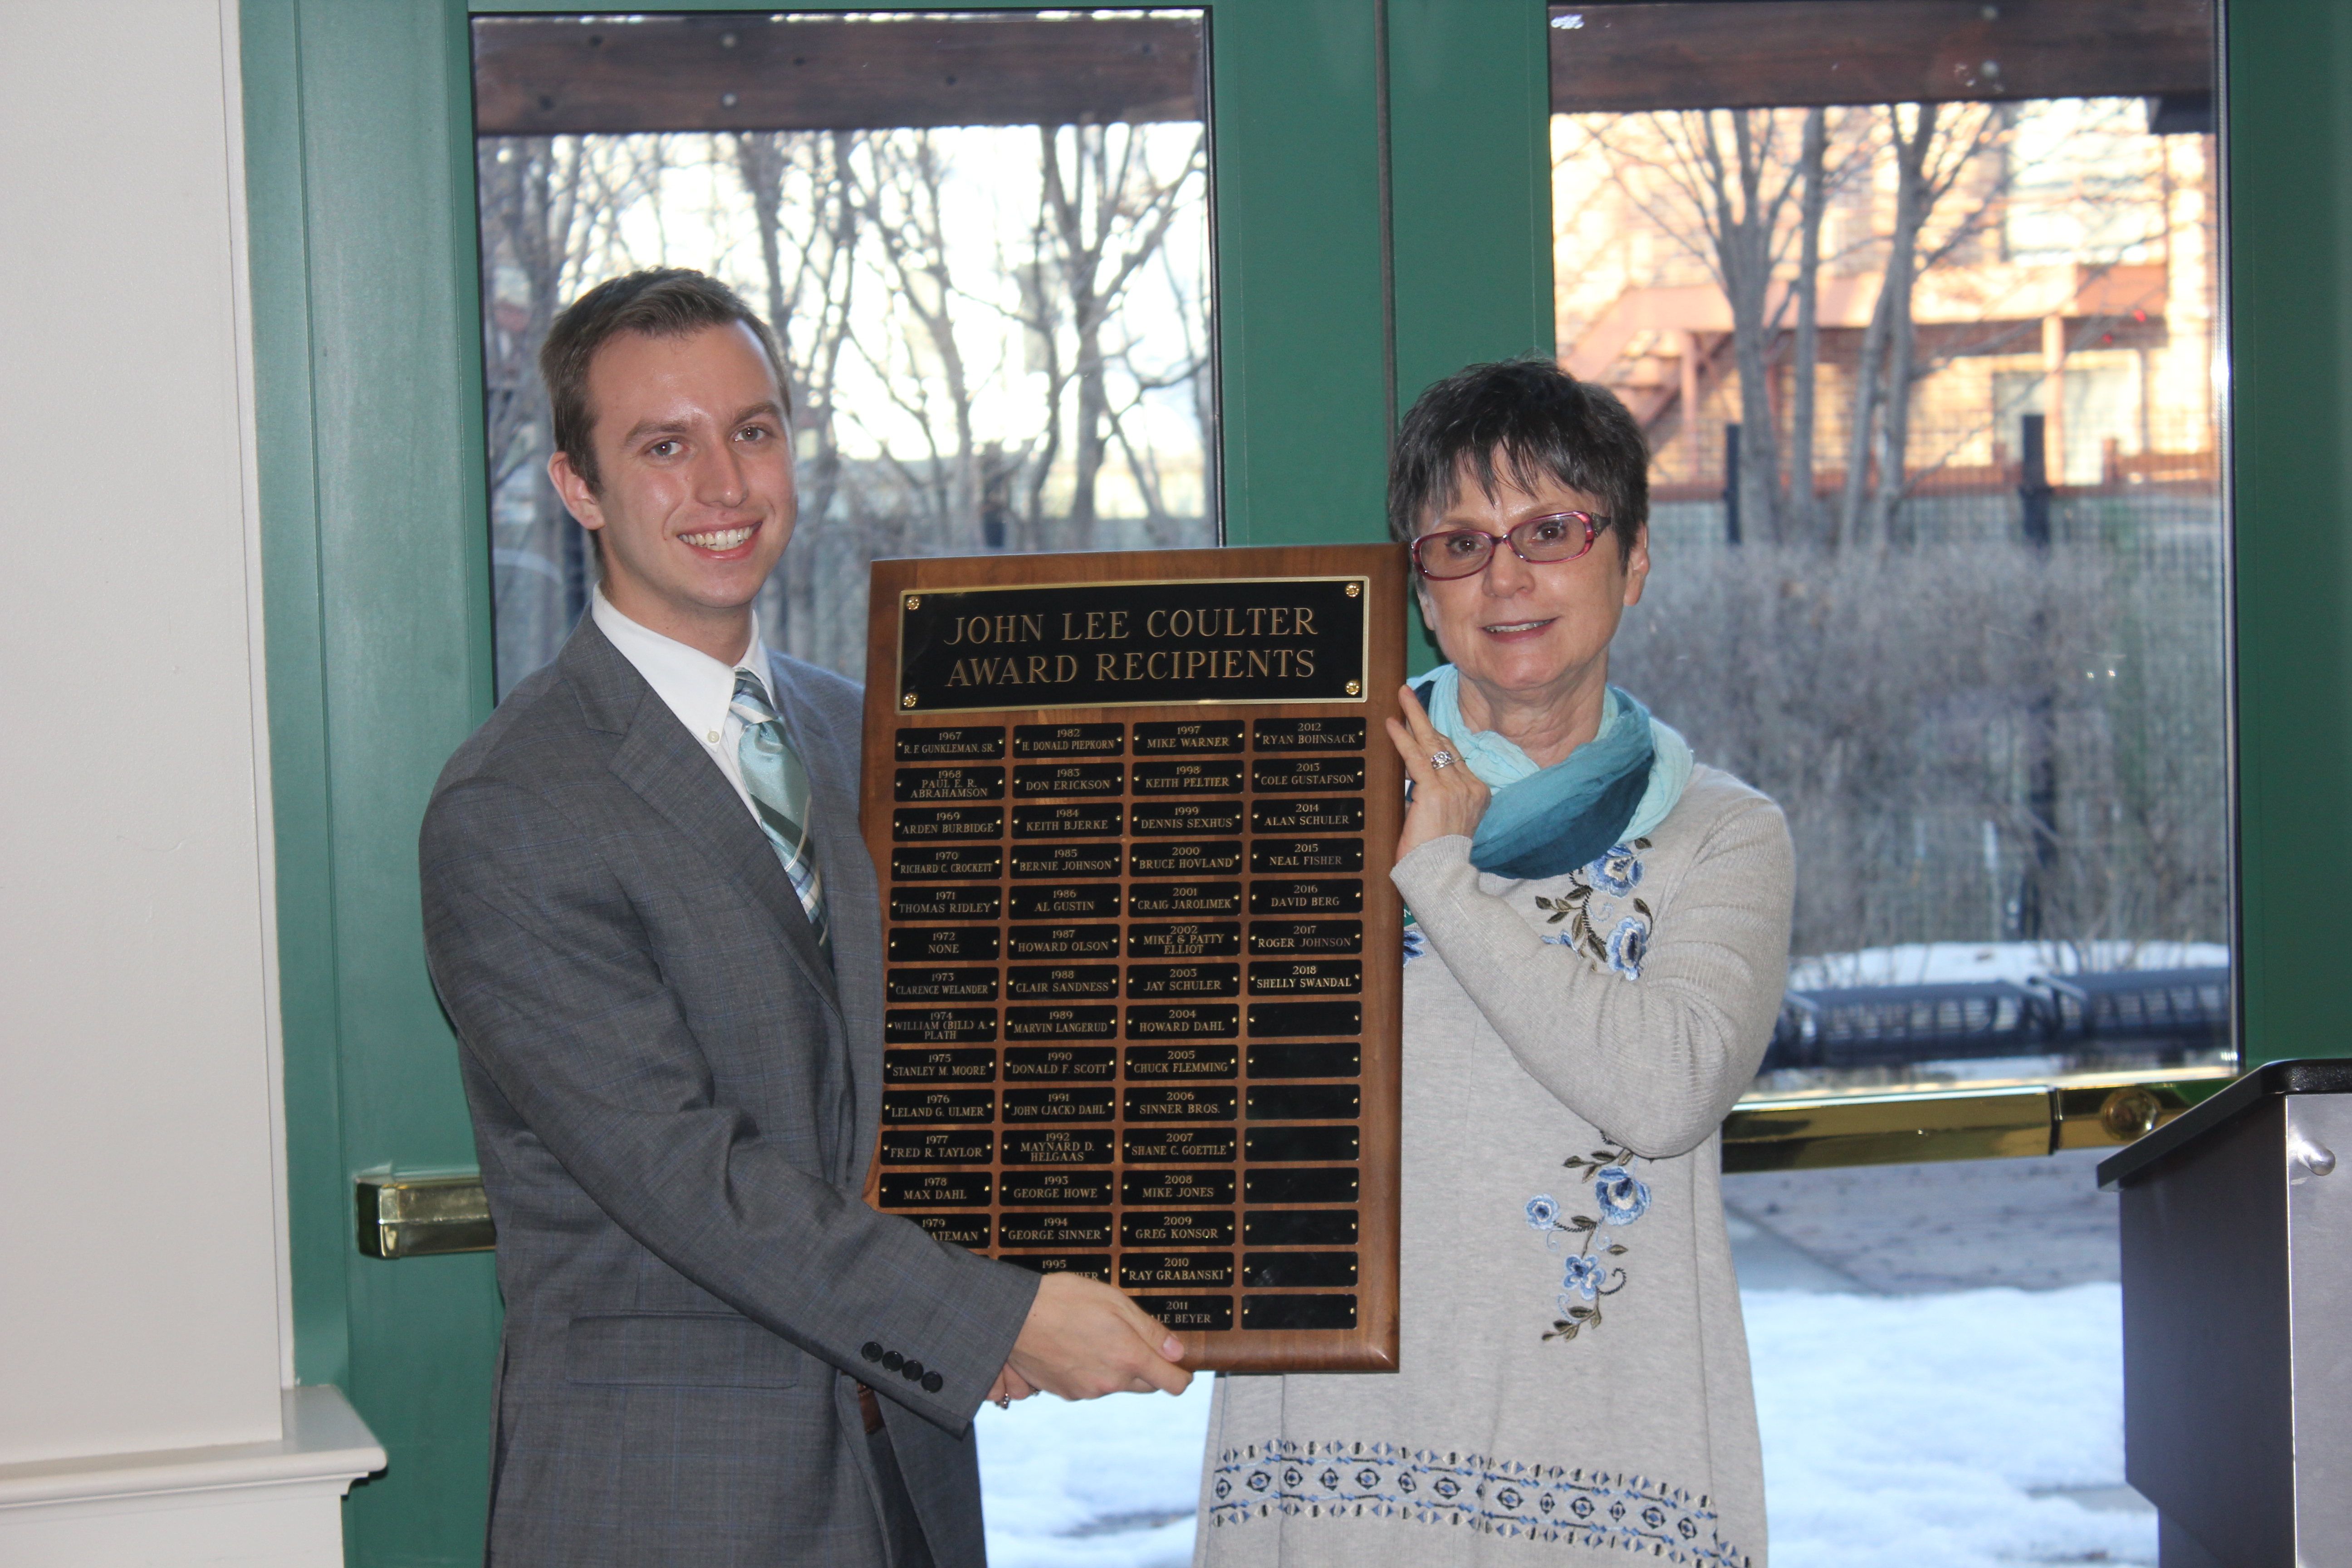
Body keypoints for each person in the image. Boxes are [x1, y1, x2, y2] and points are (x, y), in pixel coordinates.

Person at [420, 268, 1188, 1568]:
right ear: (578, 488)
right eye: (665, 446)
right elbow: (689, 1181)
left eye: (754, 430)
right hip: (670, 1503)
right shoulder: (512, 807)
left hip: (916, 1488)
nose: (725, 486)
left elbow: (974, 1073)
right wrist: (994, 1320)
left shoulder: (872, 734)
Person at [1196, 359, 1793, 1567]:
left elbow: (1667, 1089)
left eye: (1551, 530)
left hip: (1606, 1466)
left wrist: (1444, 878)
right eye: (1458, 544)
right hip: (1333, 1462)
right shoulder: (1297, 806)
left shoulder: (1724, 836)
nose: (1507, 577)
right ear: (1421, 589)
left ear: (1630, 561)